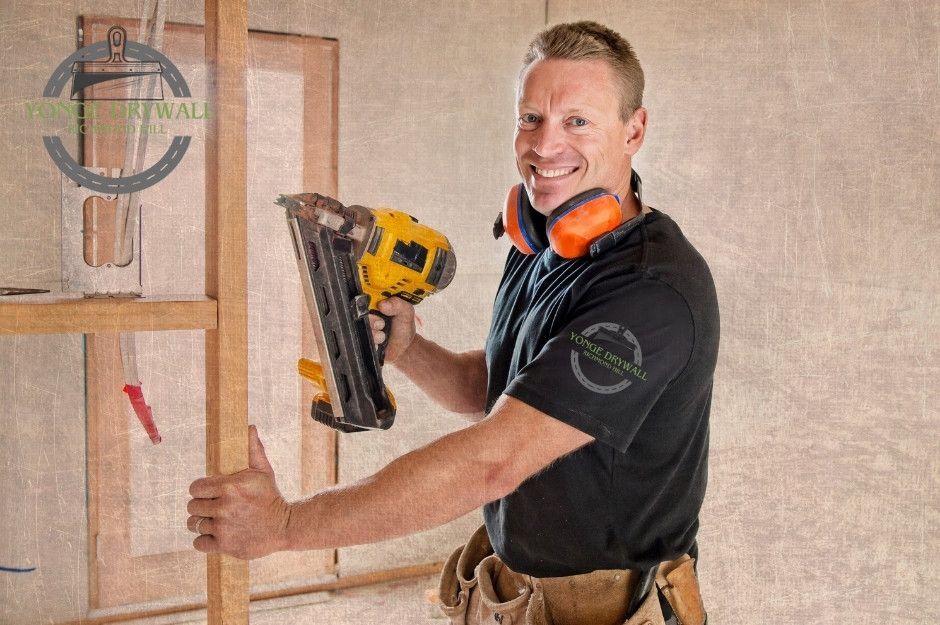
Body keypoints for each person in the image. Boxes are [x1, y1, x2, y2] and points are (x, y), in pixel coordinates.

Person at [186, 21, 718, 625]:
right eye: (531, 119)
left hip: (605, 606)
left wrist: (283, 526)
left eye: (578, 121)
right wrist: (411, 350)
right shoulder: (543, 241)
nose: (544, 147)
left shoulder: (650, 293)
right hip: (516, 588)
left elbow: (496, 459)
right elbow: (500, 390)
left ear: (634, 130)